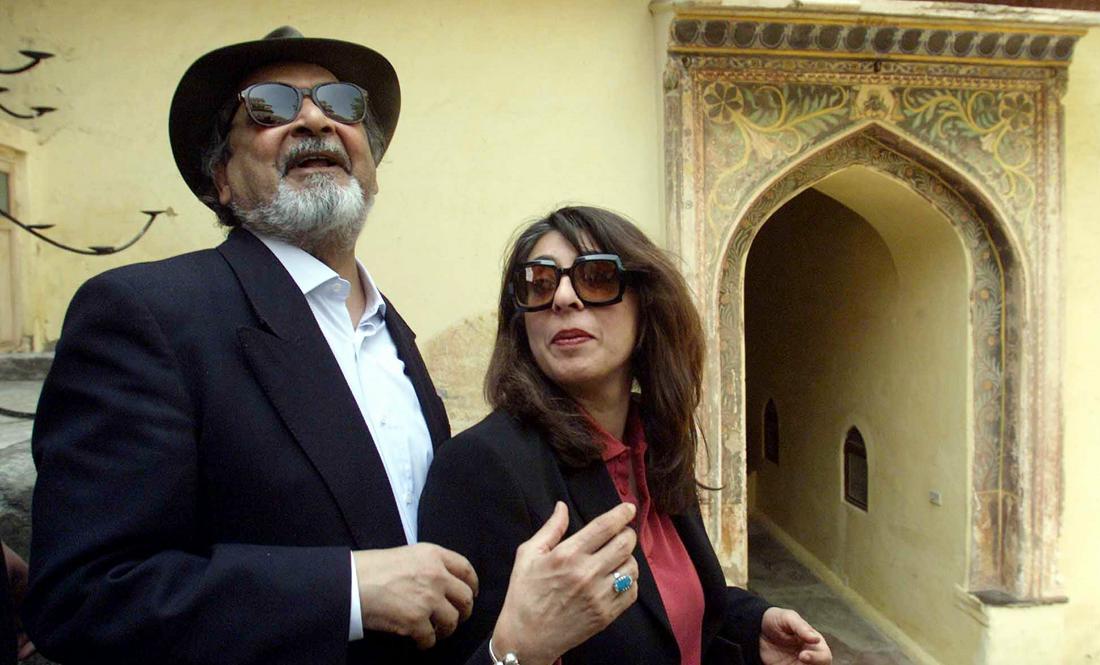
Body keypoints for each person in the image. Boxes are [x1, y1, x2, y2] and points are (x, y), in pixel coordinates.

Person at [24, 27, 484, 664]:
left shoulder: (391, 332)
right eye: (269, 106)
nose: (315, 119)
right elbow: (85, 598)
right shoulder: (145, 314)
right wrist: (346, 592)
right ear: (221, 179)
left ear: (371, 167)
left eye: (342, 103)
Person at [419, 206, 834, 665]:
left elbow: (666, 601)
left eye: (595, 277)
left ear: (646, 305)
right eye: (539, 282)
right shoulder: (481, 469)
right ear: (522, 320)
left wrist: (753, 626)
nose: (562, 298)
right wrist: (521, 650)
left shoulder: (654, 440)